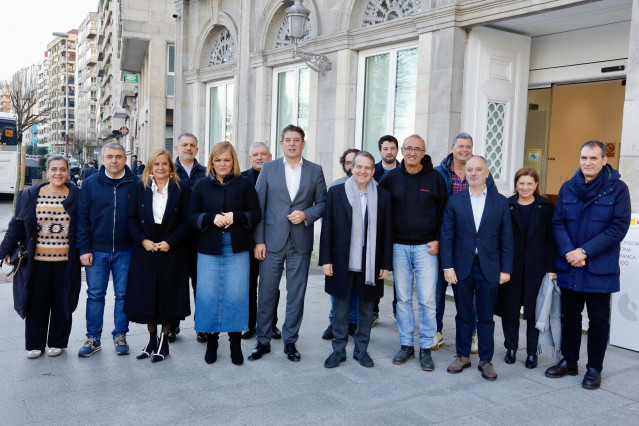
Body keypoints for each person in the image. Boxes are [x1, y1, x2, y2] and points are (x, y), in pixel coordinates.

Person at [545, 141, 630, 390]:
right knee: (569, 317)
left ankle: (594, 369)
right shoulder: (568, 188)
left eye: (593, 158)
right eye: (583, 157)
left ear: (604, 160)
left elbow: (618, 228)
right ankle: (570, 361)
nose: (587, 163)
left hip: (599, 268)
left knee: (598, 321)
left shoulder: (618, 189)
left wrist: (585, 251)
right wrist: (570, 252)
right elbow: (558, 222)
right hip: (571, 266)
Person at [249, 124, 327, 362]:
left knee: (296, 294)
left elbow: (323, 203)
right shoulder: (269, 168)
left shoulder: (315, 170)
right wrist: (258, 240)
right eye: (288, 140)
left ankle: (290, 341)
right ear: (281, 144)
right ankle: (262, 340)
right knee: (266, 293)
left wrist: (306, 215)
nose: (292, 143)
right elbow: (258, 206)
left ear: (303, 143)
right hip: (271, 241)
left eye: (297, 140)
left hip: (300, 242)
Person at [379, 134, 448, 371]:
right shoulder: (390, 179)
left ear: (423, 152)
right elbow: (383, 214)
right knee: (404, 298)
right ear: (402, 151)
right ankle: (407, 345)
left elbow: (444, 214)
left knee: (428, 300)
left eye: (417, 149)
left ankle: (426, 347)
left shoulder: (436, 178)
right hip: (399, 247)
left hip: (426, 248)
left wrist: (438, 239)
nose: (412, 153)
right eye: (408, 148)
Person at [0, 155, 81, 359]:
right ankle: (34, 344)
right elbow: (16, 226)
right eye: (54, 169)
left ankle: (57, 341)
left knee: (62, 302)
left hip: (66, 261)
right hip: (36, 261)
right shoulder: (30, 195)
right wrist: (4, 251)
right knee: (37, 303)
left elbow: (85, 226)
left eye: (62, 169)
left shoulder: (78, 195)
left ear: (68, 172)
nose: (58, 173)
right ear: (47, 171)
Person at [441, 155, 513, 381]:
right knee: (463, 314)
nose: (473, 173)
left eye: (478, 169)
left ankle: (486, 360)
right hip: (461, 266)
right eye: (470, 169)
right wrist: (447, 266)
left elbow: (506, 238)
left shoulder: (500, 201)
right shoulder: (455, 201)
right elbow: (446, 236)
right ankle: (462, 355)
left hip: (489, 267)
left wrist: (505, 269)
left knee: (486, 316)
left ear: (487, 173)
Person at [189, 141, 260, 365]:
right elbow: (191, 215)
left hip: (237, 247)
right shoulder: (201, 185)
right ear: (211, 162)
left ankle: (235, 343)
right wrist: (210, 218)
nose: (222, 164)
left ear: (233, 162)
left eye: (226, 160)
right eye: (218, 160)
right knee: (208, 296)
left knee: (237, 295)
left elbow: (255, 213)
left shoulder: (245, 184)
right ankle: (211, 341)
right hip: (209, 248)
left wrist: (235, 216)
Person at [320, 151, 393, 368]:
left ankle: (361, 349)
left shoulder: (383, 195)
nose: (362, 171)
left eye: (367, 168)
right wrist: (326, 259)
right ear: (352, 167)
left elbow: (387, 232)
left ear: (373, 171)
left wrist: (386, 263)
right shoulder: (336, 192)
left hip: (370, 261)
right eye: (358, 166)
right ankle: (339, 349)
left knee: (366, 308)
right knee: (341, 307)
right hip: (342, 259)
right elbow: (327, 228)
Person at [124, 150, 192, 363]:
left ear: (171, 168)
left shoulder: (183, 189)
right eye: (156, 164)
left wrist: (170, 242)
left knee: (168, 296)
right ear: (150, 167)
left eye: (165, 164)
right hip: (146, 248)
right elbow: (131, 218)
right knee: (147, 296)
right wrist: (143, 241)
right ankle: (151, 340)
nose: (161, 168)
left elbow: (188, 222)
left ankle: (164, 341)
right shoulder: (139, 188)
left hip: (172, 249)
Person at [77, 142, 139, 357]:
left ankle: (120, 335)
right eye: (110, 156)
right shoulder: (89, 184)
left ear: (125, 159)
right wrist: (84, 248)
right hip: (96, 250)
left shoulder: (136, 183)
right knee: (95, 295)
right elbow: (82, 219)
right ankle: (93, 338)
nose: (114, 160)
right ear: (103, 159)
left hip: (126, 251)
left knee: (123, 295)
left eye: (119, 156)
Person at [495, 167, 557, 369]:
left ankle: (532, 353)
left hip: (536, 269)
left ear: (536, 185)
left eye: (530, 183)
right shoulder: (506, 205)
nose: (525, 187)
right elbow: (499, 238)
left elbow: (551, 240)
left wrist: (550, 267)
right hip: (511, 268)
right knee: (510, 311)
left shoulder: (546, 207)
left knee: (533, 312)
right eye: (521, 183)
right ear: (516, 184)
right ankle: (511, 348)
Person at [433, 132, 477, 352]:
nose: (464, 150)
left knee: (469, 292)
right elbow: (429, 209)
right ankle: (436, 331)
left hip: (469, 244)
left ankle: (471, 334)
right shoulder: (438, 173)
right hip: (443, 239)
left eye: (468, 146)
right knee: (437, 290)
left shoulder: (479, 172)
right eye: (460, 146)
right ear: (452, 148)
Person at [241, 141, 282, 340]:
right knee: (249, 285)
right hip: (247, 242)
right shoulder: (241, 179)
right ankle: (249, 325)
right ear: (250, 158)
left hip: (272, 241)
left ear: (270, 156)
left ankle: (271, 325)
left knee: (271, 285)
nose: (259, 157)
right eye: (255, 154)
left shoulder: (279, 176)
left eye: (263, 154)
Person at [172, 132, 207, 343]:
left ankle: (201, 325)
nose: (188, 148)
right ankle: (172, 325)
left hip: (199, 236)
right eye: (184, 144)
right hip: (176, 237)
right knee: (176, 283)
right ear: (177, 148)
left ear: (197, 149)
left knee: (200, 284)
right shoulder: (168, 170)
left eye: (192, 145)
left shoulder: (206, 172)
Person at [322, 148, 360, 341]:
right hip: (340, 248)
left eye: (355, 162)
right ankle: (334, 321)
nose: (351, 166)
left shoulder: (371, 186)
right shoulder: (336, 187)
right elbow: (329, 220)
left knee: (355, 289)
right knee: (337, 288)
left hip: (359, 249)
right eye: (348, 163)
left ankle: (352, 322)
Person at [372, 135, 399, 323]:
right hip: (378, 229)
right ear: (380, 151)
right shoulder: (372, 172)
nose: (389, 151)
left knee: (401, 273)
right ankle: (373, 310)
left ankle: (398, 310)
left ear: (397, 150)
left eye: (392, 148)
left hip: (400, 229)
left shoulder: (406, 170)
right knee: (375, 271)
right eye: (385, 148)